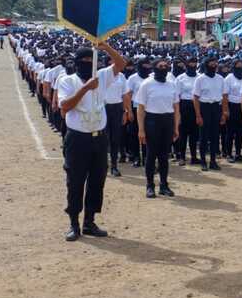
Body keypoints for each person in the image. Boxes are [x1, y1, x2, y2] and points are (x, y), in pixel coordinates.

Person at [56, 43, 127, 242]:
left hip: (99, 138)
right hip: (77, 138)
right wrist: (86, 88)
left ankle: (89, 222)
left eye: (91, 61)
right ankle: (73, 223)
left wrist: (106, 47)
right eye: (84, 61)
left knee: (97, 181)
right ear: (77, 63)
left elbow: (121, 64)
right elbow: (66, 107)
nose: (88, 64)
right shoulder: (67, 81)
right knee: (75, 181)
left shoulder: (102, 76)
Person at [137, 57, 180, 198]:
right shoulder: (147, 84)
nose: (164, 68)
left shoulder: (172, 85)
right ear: (154, 68)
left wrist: (176, 127)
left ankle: (164, 185)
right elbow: (141, 108)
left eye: (165, 66)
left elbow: (176, 107)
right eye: (160, 66)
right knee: (151, 155)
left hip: (167, 120)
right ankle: (150, 186)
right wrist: (141, 129)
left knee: (164, 156)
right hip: (152, 121)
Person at [193, 56, 225, 171]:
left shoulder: (220, 79)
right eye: (211, 63)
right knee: (203, 137)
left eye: (215, 63)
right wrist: (198, 115)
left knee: (215, 136)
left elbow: (224, 96)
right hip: (204, 108)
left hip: (216, 107)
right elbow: (196, 98)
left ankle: (213, 161)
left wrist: (223, 113)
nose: (214, 65)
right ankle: (203, 161)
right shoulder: (200, 79)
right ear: (206, 65)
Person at [175, 57, 200, 166]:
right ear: (186, 65)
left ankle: (194, 157)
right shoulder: (180, 78)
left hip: (197, 106)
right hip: (184, 106)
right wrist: (178, 112)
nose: (193, 65)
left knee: (194, 134)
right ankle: (182, 157)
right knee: (183, 134)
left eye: (195, 63)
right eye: (191, 63)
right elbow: (177, 96)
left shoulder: (200, 77)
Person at [224, 58, 242, 163]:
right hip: (232, 107)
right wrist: (226, 110)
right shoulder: (229, 78)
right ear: (233, 67)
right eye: (238, 66)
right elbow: (225, 95)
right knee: (230, 132)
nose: (240, 68)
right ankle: (228, 153)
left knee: (239, 132)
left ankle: (238, 153)